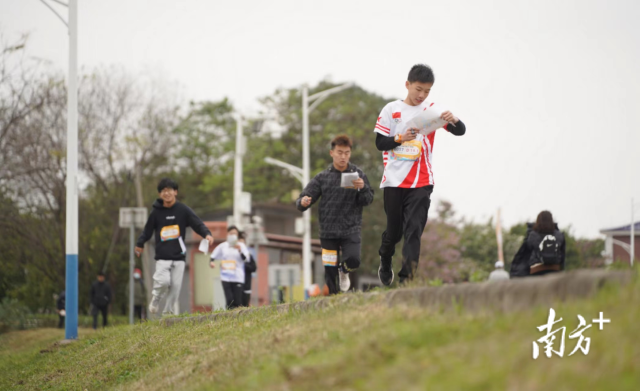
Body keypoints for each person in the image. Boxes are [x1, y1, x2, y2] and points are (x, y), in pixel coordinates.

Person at [374, 64, 466, 286]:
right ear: (407, 85)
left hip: (422, 181)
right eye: (418, 89)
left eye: (427, 91)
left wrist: (453, 119)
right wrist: (400, 138)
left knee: (414, 230)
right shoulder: (391, 110)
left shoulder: (432, 110)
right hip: (394, 181)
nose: (422, 95)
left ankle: (407, 280)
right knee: (394, 234)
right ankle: (385, 259)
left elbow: (460, 130)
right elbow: (380, 143)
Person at [296, 135, 374, 294]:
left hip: (351, 228)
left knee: (353, 260)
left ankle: (344, 271)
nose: (343, 156)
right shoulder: (322, 177)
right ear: (332, 153)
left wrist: (363, 187)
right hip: (328, 231)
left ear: (350, 154)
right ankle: (332, 302)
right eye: (339, 152)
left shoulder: (357, 174)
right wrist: (303, 202)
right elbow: (303, 199)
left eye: (346, 153)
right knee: (330, 272)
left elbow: (368, 199)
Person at [135, 178, 214, 316]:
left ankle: (168, 312)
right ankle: (156, 298)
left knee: (176, 286)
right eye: (163, 191)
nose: (167, 193)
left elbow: (197, 223)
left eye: (169, 190)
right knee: (164, 281)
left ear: (175, 192)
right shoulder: (156, 213)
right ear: (160, 194)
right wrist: (140, 244)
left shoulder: (183, 210)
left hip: (179, 255)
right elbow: (147, 231)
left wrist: (206, 234)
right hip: (162, 256)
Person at [510, 211, 566, 277]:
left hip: (537, 269)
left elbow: (525, 254)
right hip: (555, 268)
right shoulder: (559, 235)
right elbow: (562, 255)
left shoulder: (533, 235)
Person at [210, 226, 251, 309]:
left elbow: (247, 259)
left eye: (235, 234)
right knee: (229, 300)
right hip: (225, 276)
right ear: (227, 234)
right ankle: (229, 316)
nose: (232, 235)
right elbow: (213, 256)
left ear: (237, 235)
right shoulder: (223, 246)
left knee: (237, 301)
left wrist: (239, 250)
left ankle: (238, 318)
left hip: (238, 277)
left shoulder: (241, 246)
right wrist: (211, 262)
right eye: (231, 233)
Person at [238, 234, 257, 307]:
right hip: (236, 286)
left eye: (243, 243)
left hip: (246, 286)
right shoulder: (232, 256)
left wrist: (244, 264)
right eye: (239, 243)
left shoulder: (248, 256)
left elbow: (254, 268)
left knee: (245, 306)